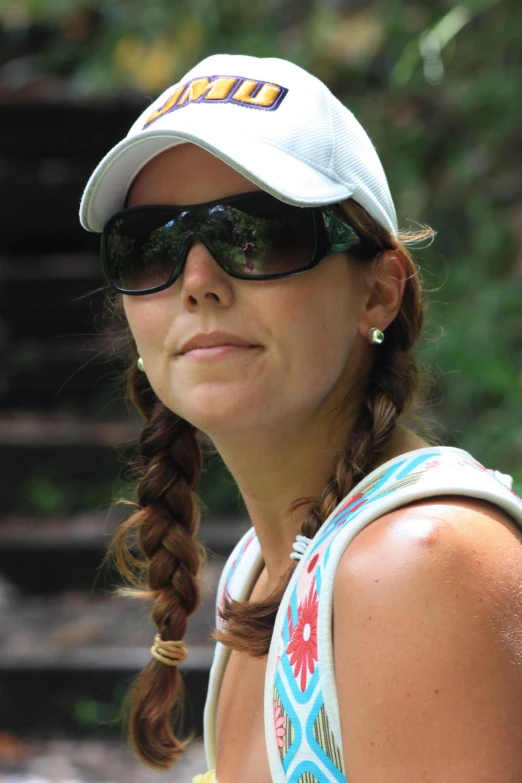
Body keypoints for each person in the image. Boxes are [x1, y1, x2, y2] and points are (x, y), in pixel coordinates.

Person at [80, 54, 522, 783]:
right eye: (149, 243)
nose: (197, 282)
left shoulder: (419, 565)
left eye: (257, 234)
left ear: (379, 292)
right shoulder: (263, 574)